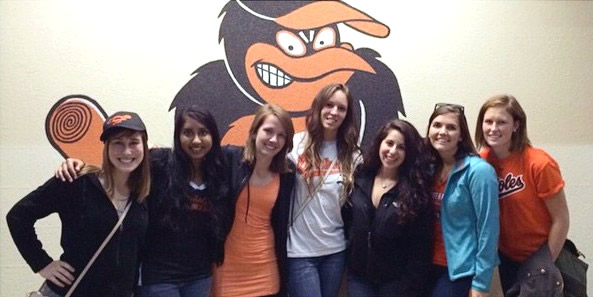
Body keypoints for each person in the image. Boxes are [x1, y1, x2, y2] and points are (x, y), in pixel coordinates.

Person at [54, 107, 229, 297]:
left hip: (200, 277)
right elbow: (123, 162)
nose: (196, 140)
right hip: (158, 278)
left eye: (203, 132)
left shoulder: (218, 173)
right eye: (187, 133)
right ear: (178, 136)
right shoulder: (160, 163)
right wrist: (77, 164)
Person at [7, 111, 151, 297]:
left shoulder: (145, 193)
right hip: (70, 292)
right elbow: (18, 216)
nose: (126, 151)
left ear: (145, 146)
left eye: (134, 142)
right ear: (106, 147)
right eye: (118, 143)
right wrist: (41, 263)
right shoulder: (76, 182)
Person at [475, 94, 569, 295]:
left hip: (539, 254)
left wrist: (544, 262)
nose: (493, 128)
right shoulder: (482, 163)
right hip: (507, 256)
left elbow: (561, 219)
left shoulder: (539, 163)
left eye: (501, 122)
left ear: (516, 125)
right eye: (488, 121)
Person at [212, 104, 295, 297]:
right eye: (268, 131)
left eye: (281, 135)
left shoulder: (287, 173)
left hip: (266, 271)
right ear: (255, 131)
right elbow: (194, 158)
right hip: (227, 269)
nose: (274, 139)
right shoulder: (230, 158)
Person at [343, 119, 433, 297]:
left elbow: (420, 249)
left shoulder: (416, 191)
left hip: (396, 284)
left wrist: (409, 288)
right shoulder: (361, 177)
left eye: (401, 147)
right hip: (359, 278)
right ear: (379, 143)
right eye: (389, 143)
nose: (393, 151)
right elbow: (347, 220)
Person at [287, 83, 361, 297]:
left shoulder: (353, 156)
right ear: (318, 107)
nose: (334, 112)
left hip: (335, 251)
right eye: (329, 105)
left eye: (341, 108)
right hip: (299, 251)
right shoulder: (295, 144)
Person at [425, 103, 499, 297]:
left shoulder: (479, 172)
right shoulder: (428, 168)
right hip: (426, 265)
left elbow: (488, 230)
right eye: (437, 125)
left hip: (460, 271)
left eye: (451, 127)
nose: (442, 132)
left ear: (461, 135)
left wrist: (481, 283)